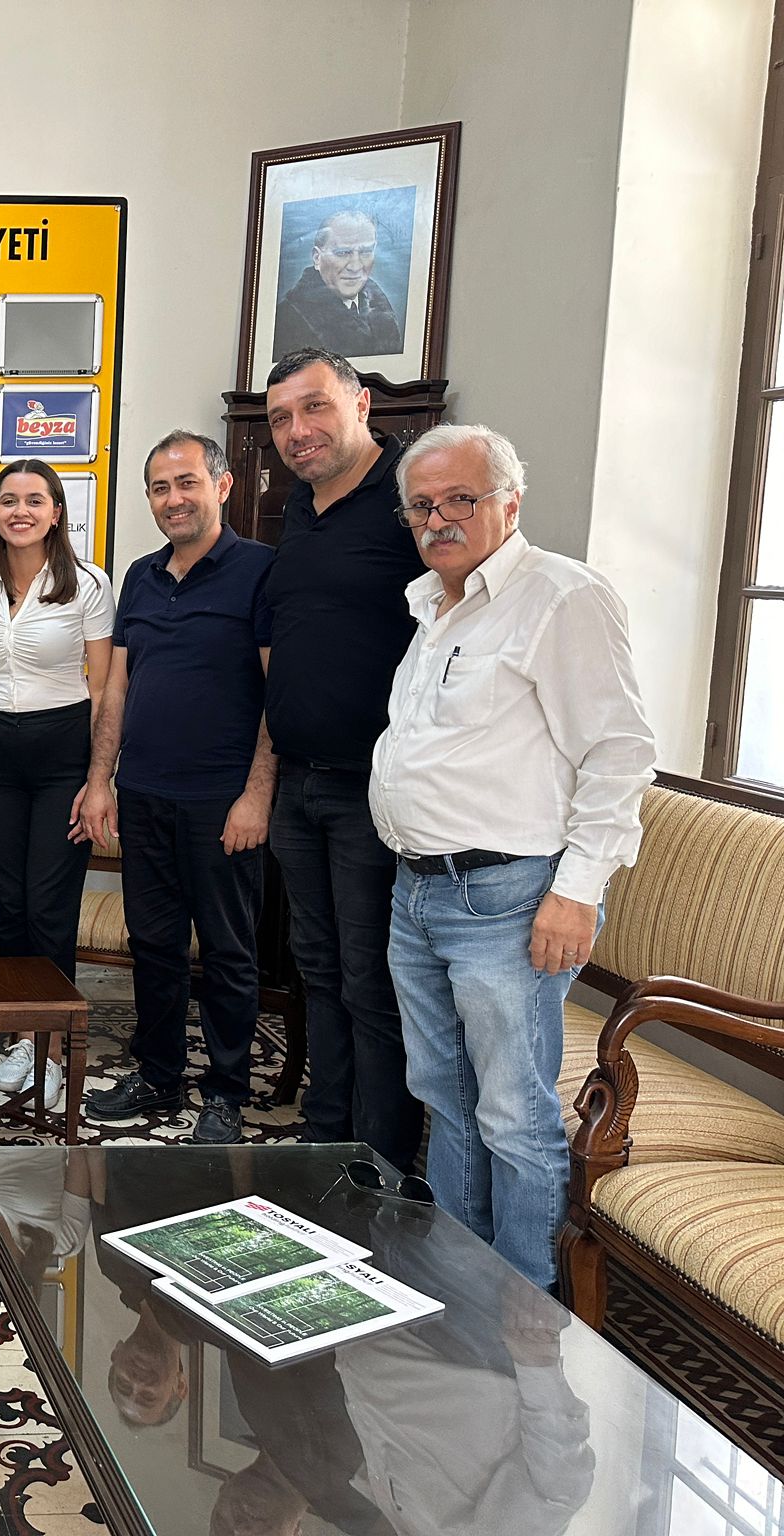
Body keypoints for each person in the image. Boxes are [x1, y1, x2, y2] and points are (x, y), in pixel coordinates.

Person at [370, 424, 653, 1288]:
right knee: (446, 1099)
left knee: (513, 1114)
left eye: (461, 499)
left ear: (510, 502)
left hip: (511, 898)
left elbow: (618, 753)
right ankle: (467, 1292)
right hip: (420, 892)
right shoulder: (434, 605)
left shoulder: (561, 598)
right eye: (422, 505)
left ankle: (526, 1308)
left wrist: (577, 890)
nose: (439, 519)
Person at [262, 348, 428, 1174]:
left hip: (373, 792)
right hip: (300, 783)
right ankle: (325, 1138)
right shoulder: (301, 507)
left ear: (362, 404)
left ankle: (379, 1163)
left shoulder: (410, 498)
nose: (298, 430)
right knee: (318, 972)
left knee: (371, 983)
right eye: (281, 418)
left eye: (314, 407)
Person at [84, 432, 276, 1145]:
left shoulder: (260, 570)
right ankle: (160, 1073)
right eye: (161, 488)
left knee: (227, 952)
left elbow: (277, 694)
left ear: (221, 486)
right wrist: (101, 779)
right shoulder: (140, 576)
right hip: (144, 794)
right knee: (156, 945)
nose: (174, 499)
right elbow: (117, 688)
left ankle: (225, 1093)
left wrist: (256, 796)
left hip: (222, 802)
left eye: (187, 482)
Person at [0, 458, 115, 1109]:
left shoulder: (88, 584)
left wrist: (100, 778)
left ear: (55, 513)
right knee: (14, 904)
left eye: (34, 500)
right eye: (8, 500)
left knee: (51, 905)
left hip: (63, 755)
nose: (19, 511)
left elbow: (104, 688)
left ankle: (51, 1048)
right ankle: (24, 1035)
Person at [271, 210, 403, 362]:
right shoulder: (288, 319)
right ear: (317, 258)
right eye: (343, 253)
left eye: (365, 252)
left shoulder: (379, 305)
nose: (355, 266)